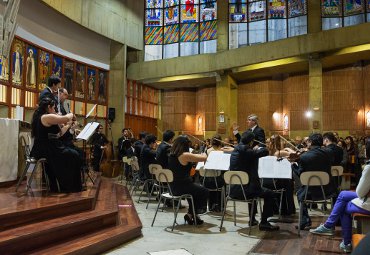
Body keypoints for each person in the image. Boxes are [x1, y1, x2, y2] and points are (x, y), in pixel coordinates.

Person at [310, 143, 370, 253]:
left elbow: (360, 192)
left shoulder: (369, 167)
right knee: (342, 196)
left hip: (368, 203)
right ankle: (332, 229)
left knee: (343, 205)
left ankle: (341, 238)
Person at [30, 97, 82, 193]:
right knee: (73, 155)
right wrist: (71, 114)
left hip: (46, 146)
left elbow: (59, 134)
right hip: (45, 148)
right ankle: (69, 185)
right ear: (48, 107)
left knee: (73, 153)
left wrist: (69, 125)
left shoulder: (42, 116)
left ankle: (64, 184)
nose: (54, 110)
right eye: (53, 108)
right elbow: (65, 118)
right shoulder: (46, 117)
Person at [229, 131, 279, 231]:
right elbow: (263, 152)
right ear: (251, 142)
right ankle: (264, 222)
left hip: (233, 190)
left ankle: (252, 219)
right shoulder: (246, 150)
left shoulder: (236, 150)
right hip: (246, 191)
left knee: (253, 189)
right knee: (270, 193)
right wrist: (267, 147)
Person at [294, 133, 336, 230]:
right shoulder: (329, 153)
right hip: (328, 191)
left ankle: (305, 221)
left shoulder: (304, 157)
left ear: (311, 142)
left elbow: (301, 174)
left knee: (299, 194)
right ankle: (333, 222)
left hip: (309, 192)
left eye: (307, 141)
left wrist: (293, 165)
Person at [168, 135, 209, 225]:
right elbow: (204, 157)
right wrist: (206, 150)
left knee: (194, 192)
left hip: (173, 186)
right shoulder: (185, 155)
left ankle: (191, 215)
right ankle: (194, 213)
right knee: (204, 191)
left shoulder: (171, 155)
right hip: (182, 186)